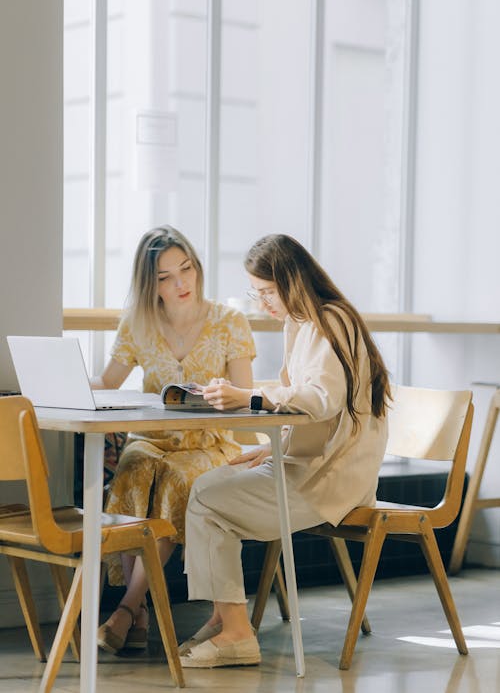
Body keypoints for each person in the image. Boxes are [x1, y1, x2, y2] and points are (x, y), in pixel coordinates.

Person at [179, 233, 392, 668]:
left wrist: (251, 398)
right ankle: (225, 619)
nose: (262, 304)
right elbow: (308, 404)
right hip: (308, 464)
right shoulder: (303, 323)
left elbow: (319, 400)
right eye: (255, 294)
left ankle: (236, 632)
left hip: (331, 480)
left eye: (266, 293)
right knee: (205, 485)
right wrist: (270, 451)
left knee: (207, 500)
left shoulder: (332, 321)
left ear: (291, 281)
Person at [92, 225, 256, 654]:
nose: (181, 283)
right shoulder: (138, 324)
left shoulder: (229, 321)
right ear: (151, 284)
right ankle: (136, 611)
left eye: (185, 269)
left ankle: (129, 609)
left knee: (173, 480)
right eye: (165, 276)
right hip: (153, 440)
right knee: (132, 469)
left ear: (196, 268)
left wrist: (223, 397)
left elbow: (246, 399)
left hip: (211, 443)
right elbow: (108, 383)